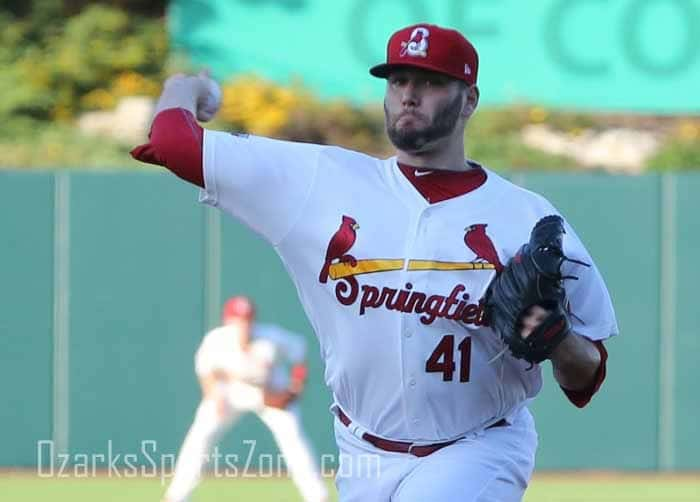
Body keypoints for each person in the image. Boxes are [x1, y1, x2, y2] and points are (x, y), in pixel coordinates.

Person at [134, 23, 618, 502]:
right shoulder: (319, 181)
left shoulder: (528, 218)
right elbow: (175, 143)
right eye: (398, 81)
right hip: (360, 452)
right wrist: (184, 86)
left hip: (480, 446)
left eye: (430, 82)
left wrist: (559, 341)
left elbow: (587, 376)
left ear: (469, 100)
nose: (409, 95)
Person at [162, 296, 328, 502]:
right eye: (238, 319)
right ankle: (176, 497)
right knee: (200, 436)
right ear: (228, 320)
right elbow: (205, 370)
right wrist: (214, 396)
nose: (244, 324)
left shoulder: (270, 338)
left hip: (270, 391)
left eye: (248, 319)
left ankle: (318, 497)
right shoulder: (216, 340)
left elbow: (299, 350)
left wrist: (296, 386)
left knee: (293, 439)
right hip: (230, 391)